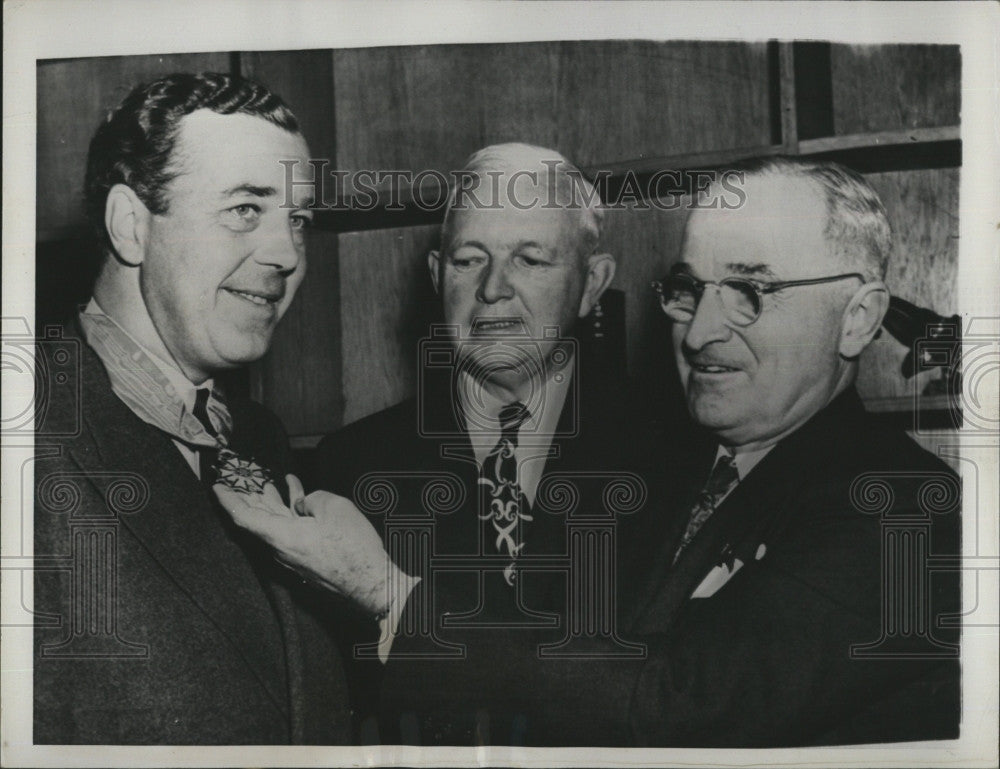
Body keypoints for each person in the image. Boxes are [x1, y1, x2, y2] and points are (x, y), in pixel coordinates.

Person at [217, 155, 961, 746]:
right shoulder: (705, 465)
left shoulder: (903, 508)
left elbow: (677, 708)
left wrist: (392, 594)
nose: (699, 332)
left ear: (859, 318)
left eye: (750, 292)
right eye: (689, 290)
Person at [312, 143, 669, 744]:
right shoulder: (350, 467)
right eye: (469, 260)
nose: (494, 289)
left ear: (592, 285)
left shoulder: (676, 456)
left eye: (531, 260)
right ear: (435, 278)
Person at [33, 73, 350, 744]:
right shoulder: (24, 439)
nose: (287, 253)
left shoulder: (256, 437)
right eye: (244, 209)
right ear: (131, 225)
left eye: (298, 220)